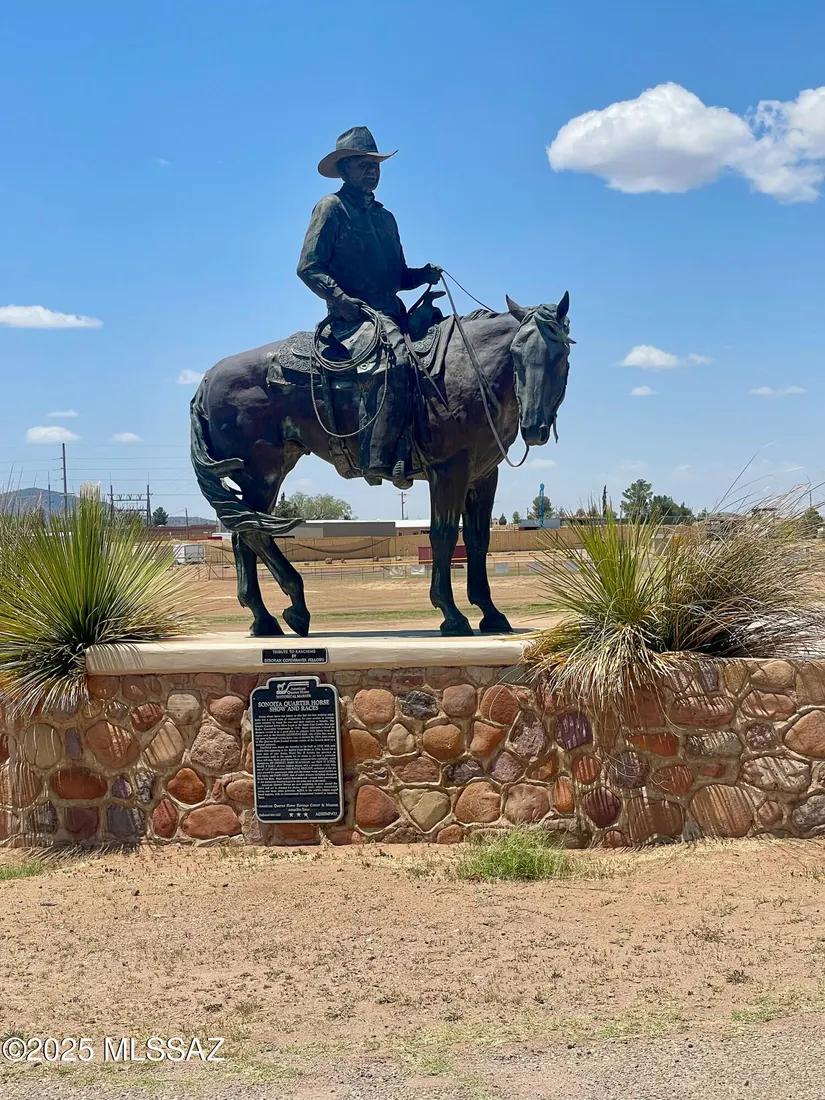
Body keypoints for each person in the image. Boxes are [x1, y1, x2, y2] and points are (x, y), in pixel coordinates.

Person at [297, 126, 441, 489]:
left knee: (443, 352)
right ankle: (378, 457)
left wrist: (422, 275)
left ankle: (425, 445)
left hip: (392, 312)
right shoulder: (331, 208)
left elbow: (397, 277)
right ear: (344, 169)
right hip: (353, 318)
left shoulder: (385, 218)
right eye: (363, 164)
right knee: (395, 361)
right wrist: (341, 300)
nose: (372, 170)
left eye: (375, 164)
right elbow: (309, 267)